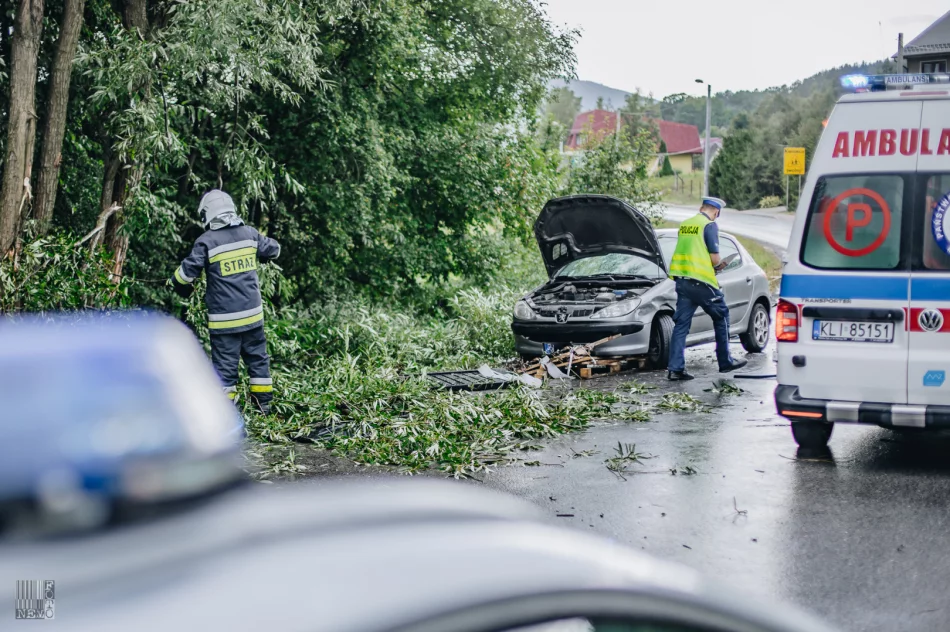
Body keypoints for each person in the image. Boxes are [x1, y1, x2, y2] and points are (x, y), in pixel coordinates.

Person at [171, 190, 281, 412]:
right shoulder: (250, 234)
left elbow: (185, 276)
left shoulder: (206, 241)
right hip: (253, 317)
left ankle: (227, 413)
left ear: (207, 214)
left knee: (225, 368)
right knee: (258, 361)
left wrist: (174, 282)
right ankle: (264, 407)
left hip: (224, 322)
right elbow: (274, 250)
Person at [666, 196, 747, 381]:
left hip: (682, 281)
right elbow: (714, 259)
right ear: (716, 212)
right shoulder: (709, 225)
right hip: (701, 282)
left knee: (681, 325)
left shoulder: (685, 224)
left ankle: (675, 369)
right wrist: (720, 266)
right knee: (721, 315)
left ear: (701, 207)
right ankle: (725, 361)